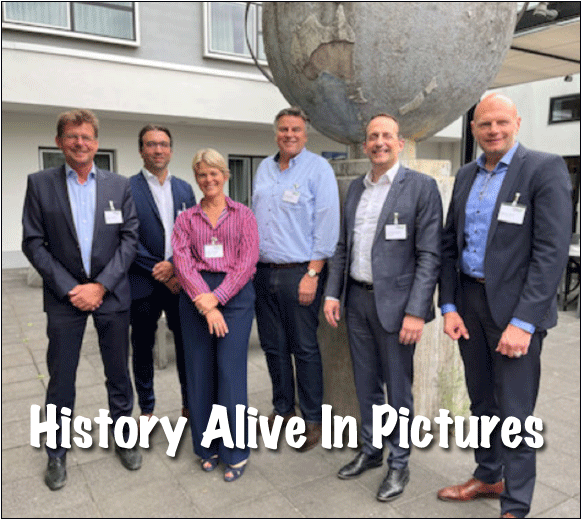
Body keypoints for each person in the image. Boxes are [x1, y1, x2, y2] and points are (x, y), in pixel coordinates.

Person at [438, 93, 572, 518]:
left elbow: (550, 253)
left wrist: (525, 322)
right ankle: (489, 475)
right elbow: (447, 246)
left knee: (514, 411)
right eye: (484, 124)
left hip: (516, 313)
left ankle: (516, 504)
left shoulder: (543, 169)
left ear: (516, 121)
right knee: (481, 402)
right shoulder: (465, 175)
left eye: (501, 122)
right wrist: (448, 306)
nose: (493, 130)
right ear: (474, 129)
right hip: (470, 304)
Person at [324, 113, 442, 501]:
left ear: (400, 142)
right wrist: (332, 293)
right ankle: (372, 450)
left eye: (386, 136)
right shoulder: (357, 189)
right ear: (365, 144)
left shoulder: (421, 188)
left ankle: (399, 463)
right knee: (366, 384)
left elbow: (429, 256)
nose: (379, 142)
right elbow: (344, 246)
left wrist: (415, 311)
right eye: (373, 137)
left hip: (397, 309)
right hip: (357, 300)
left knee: (399, 391)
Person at [22, 109, 140, 491]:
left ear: (96, 142)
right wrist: (71, 287)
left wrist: (101, 286)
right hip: (64, 297)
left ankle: (124, 437)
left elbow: (129, 240)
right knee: (61, 378)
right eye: (72, 137)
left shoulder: (118, 186)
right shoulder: (40, 184)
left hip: (110, 294)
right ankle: (56, 453)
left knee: (118, 373)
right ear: (59, 142)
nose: (80, 143)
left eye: (86, 136)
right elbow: (33, 242)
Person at [252, 107, 340, 452]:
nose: (289, 134)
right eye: (284, 129)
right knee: (272, 346)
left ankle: (313, 419)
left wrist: (313, 273)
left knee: (303, 348)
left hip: (300, 273)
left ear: (305, 134)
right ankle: (283, 409)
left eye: (296, 129)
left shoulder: (318, 169)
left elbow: (327, 224)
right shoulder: (263, 168)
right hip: (263, 272)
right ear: (276, 133)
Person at [172, 148, 259, 482]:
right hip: (195, 298)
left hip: (234, 298)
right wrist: (204, 303)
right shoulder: (185, 219)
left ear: (226, 175)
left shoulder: (244, 215)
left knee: (229, 372)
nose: (208, 179)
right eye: (202, 174)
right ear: (197, 177)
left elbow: (247, 261)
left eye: (214, 173)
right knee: (199, 372)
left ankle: (235, 451)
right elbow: (182, 262)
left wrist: (218, 299)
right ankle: (207, 446)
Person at [128, 125, 196, 420]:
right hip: (143, 282)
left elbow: (194, 234)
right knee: (142, 346)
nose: (158, 150)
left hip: (180, 283)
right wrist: (163, 271)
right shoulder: (125, 188)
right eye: (151, 144)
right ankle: (147, 408)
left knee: (186, 345)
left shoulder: (185, 189)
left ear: (171, 149)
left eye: (164, 144)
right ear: (141, 149)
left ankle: (189, 403)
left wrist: (177, 269)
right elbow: (126, 237)